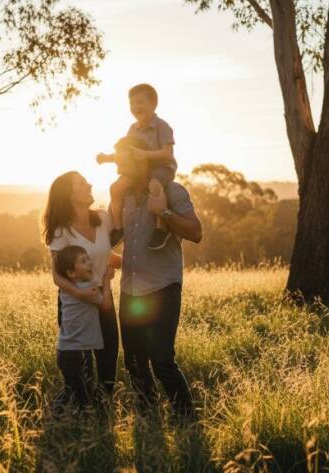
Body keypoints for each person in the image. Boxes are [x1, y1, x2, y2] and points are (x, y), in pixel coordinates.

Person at [111, 136, 203, 421]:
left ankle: (187, 421)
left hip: (163, 287)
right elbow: (113, 238)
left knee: (162, 361)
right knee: (135, 362)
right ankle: (148, 420)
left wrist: (162, 212)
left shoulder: (171, 191)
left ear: (144, 157)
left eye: (125, 160)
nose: (120, 168)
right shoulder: (123, 195)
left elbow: (196, 232)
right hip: (131, 291)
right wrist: (114, 199)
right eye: (118, 161)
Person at [42, 171, 120, 400]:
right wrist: (81, 294)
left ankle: (103, 410)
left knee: (108, 355)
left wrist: (136, 264)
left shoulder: (103, 219)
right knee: (82, 366)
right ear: (69, 195)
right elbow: (57, 275)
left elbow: (105, 255)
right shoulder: (61, 231)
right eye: (82, 183)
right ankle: (78, 415)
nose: (89, 185)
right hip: (76, 304)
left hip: (103, 298)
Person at [97, 83, 177, 251]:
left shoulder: (162, 126)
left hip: (161, 167)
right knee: (116, 188)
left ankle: (161, 228)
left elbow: (168, 154)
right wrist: (107, 158)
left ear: (153, 104)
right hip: (138, 170)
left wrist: (146, 155)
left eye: (140, 102)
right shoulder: (132, 129)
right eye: (132, 103)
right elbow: (127, 155)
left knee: (155, 184)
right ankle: (118, 228)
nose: (135, 107)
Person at [51, 245, 115, 411]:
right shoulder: (88, 290)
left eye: (88, 259)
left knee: (76, 390)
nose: (90, 263)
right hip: (73, 352)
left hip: (69, 350)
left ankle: (70, 419)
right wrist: (106, 280)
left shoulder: (70, 289)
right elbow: (106, 305)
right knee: (77, 394)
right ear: (71, 273)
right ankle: (58, 417)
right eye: (83, 261)